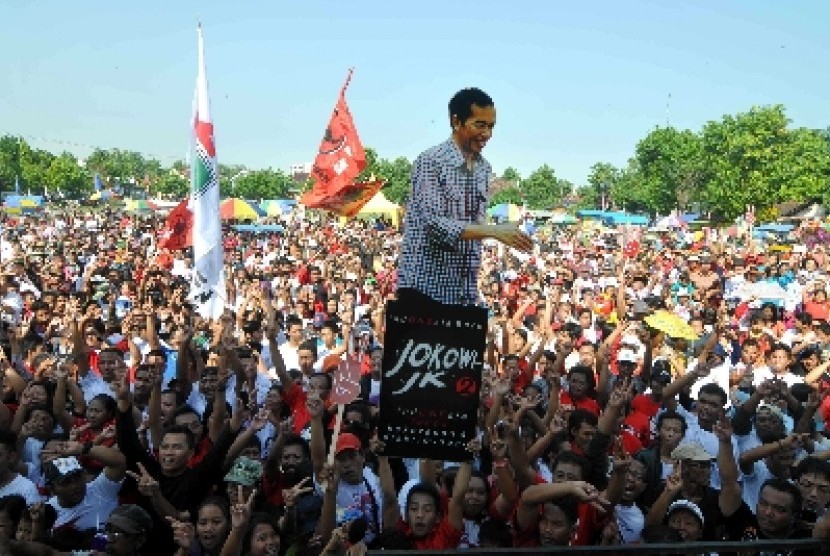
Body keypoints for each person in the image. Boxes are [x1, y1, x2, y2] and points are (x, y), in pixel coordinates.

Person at [397, 87, 532, 305]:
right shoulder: (431, 161)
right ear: (456, 122)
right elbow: (433, 224)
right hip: (423, 291)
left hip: (463, 293)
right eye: (479, 125)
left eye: (491, 126)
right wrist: (494, 231)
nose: (487, 134)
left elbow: (473, 226)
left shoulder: (484, 168)